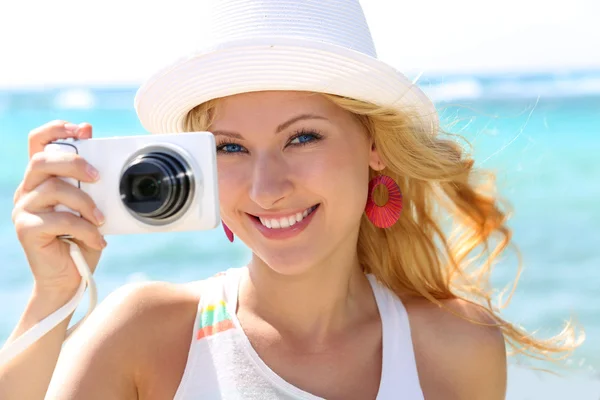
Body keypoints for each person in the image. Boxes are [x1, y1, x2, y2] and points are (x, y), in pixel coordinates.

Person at [1, 0, 581, 399]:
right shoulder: (146, 333)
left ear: (373, 143)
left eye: (302, 137)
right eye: (230, 148)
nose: (265, 187)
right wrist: (55, 295)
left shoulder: (458, 349)